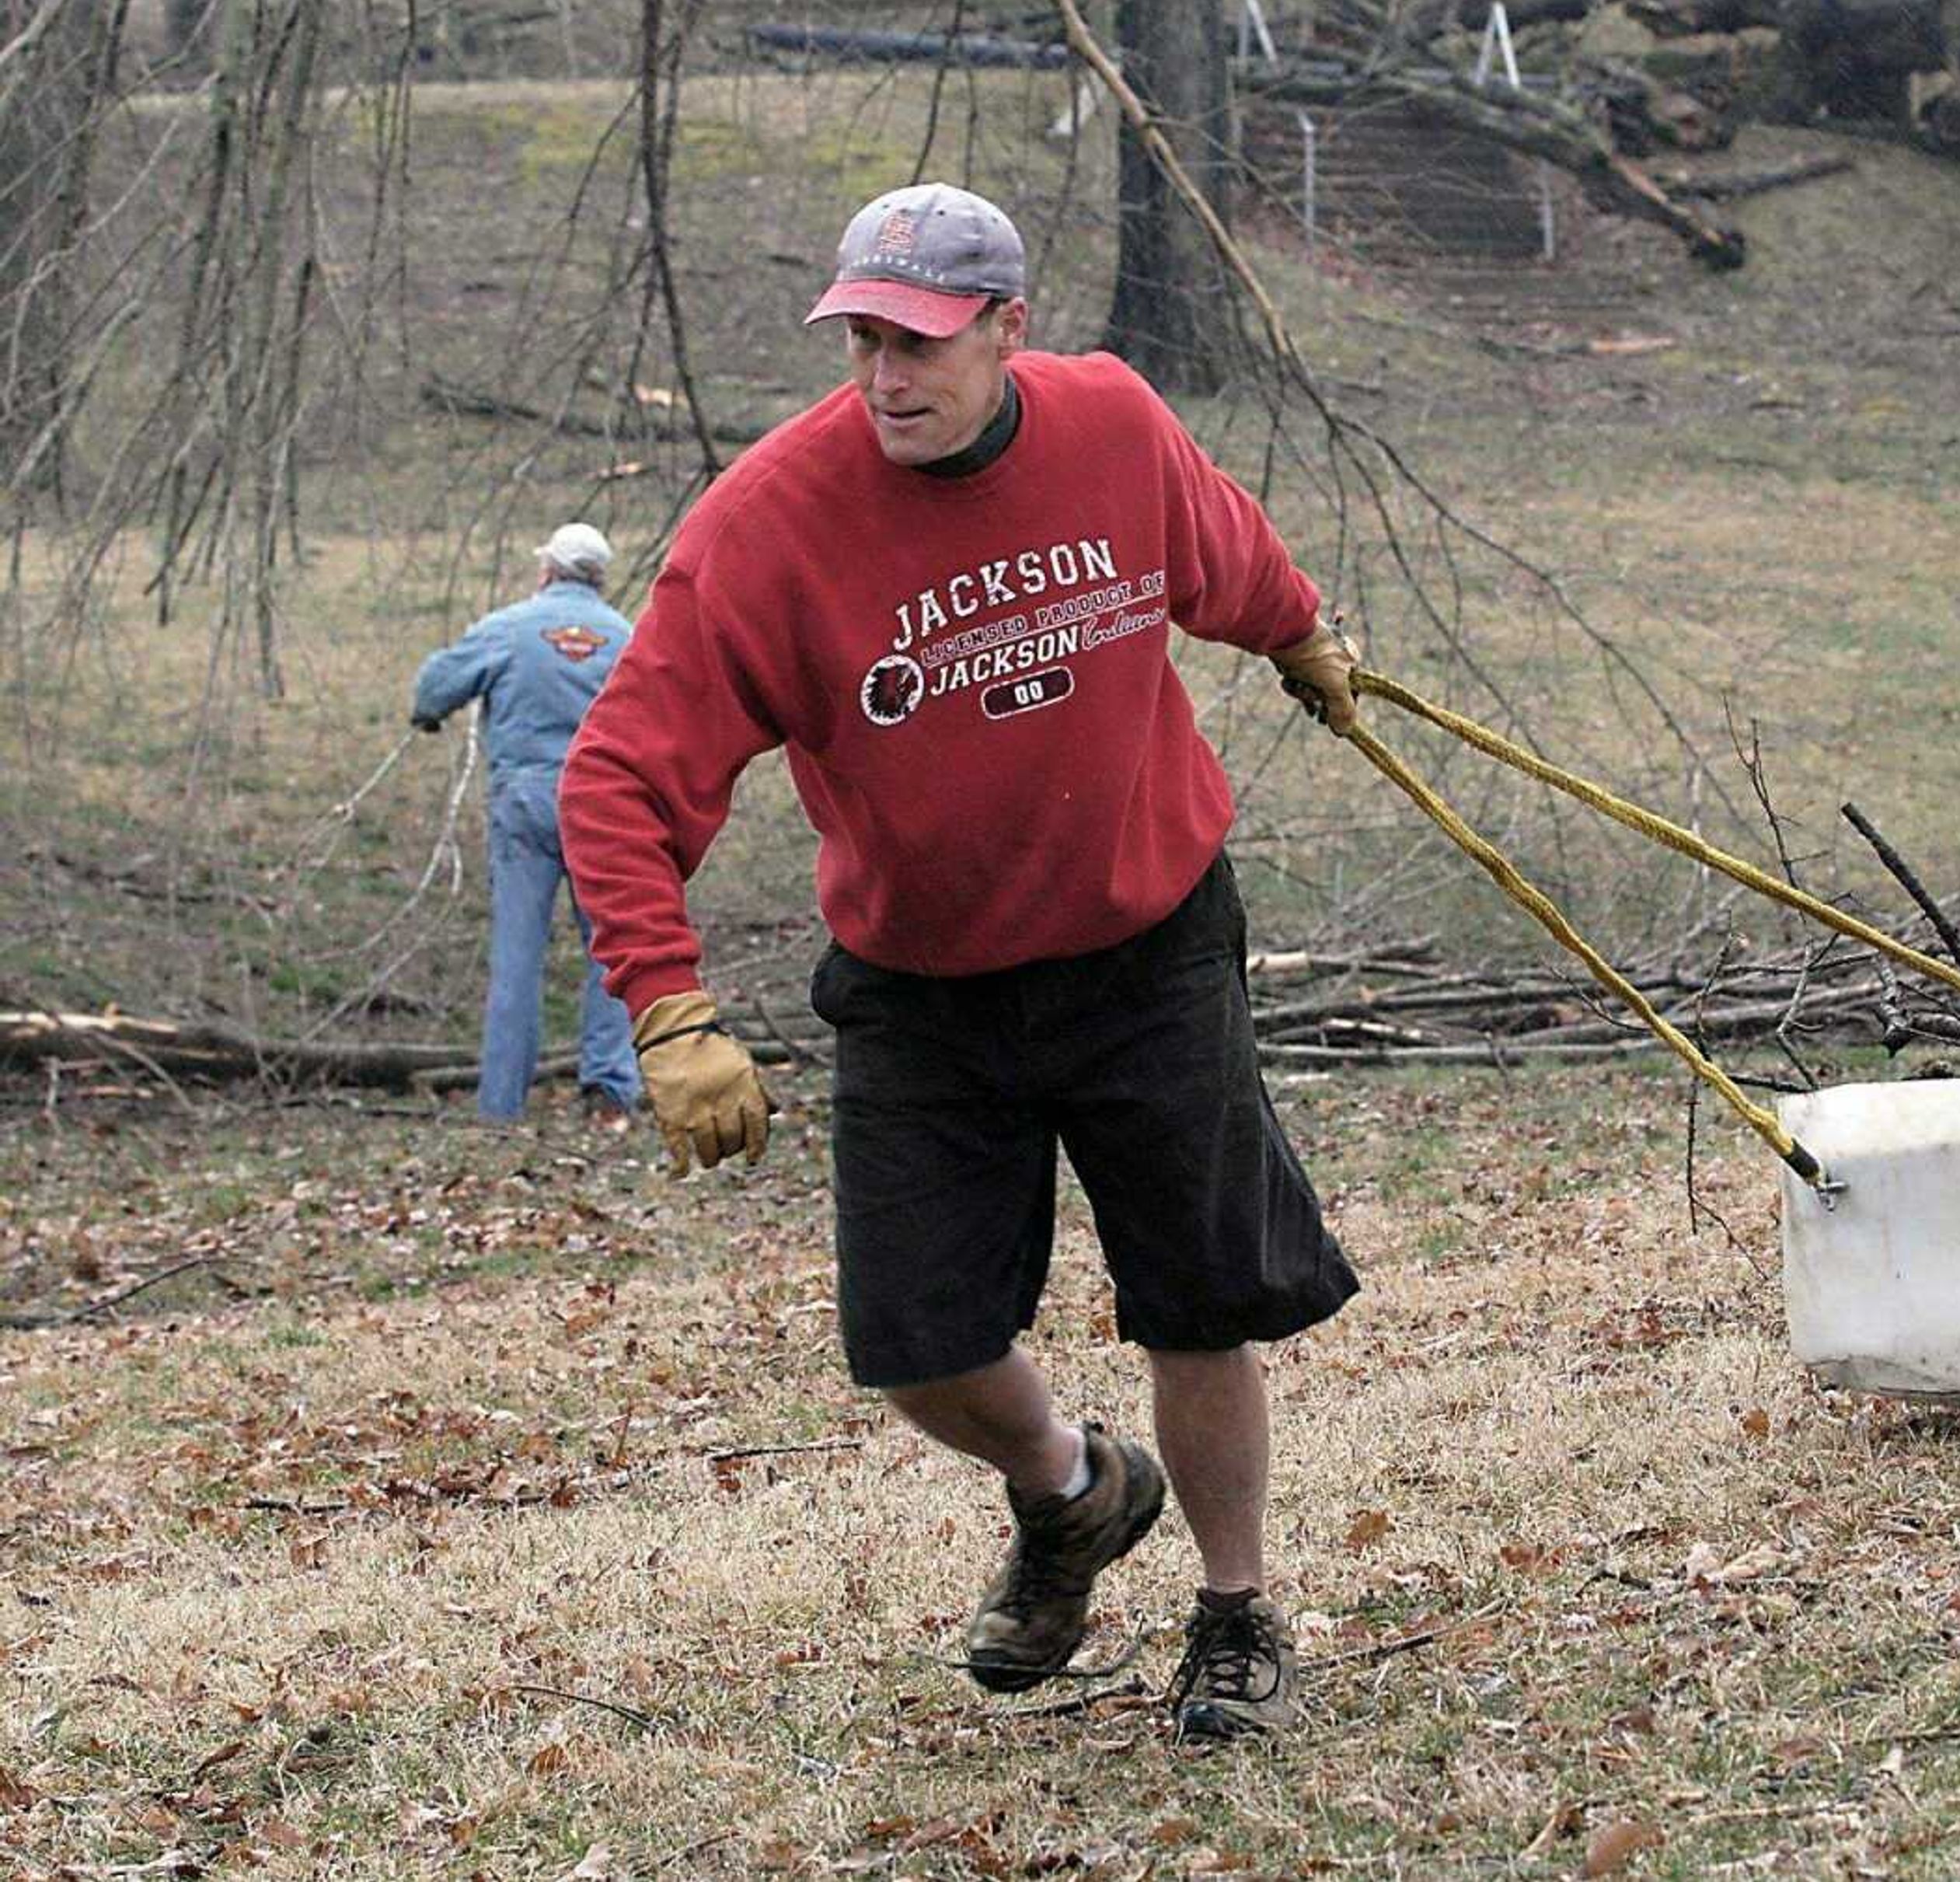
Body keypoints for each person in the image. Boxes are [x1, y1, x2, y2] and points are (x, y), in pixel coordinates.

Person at [559, 183, 1362, 1744]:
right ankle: (1070, 1490)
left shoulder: (1113, 426)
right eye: (863, 338)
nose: (886, 376)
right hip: (925, 984)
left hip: (1148, 941)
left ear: (1007, 329)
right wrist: (664, 1001)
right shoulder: (772, 524)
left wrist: (1298, 633)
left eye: (921, 340)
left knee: (1198, 1305)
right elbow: (620, 777)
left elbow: (1220, 546)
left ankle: (1236, 1610)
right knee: (916, 1342)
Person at [411, 522, 644, 1126]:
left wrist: (427, 714)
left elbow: (437, 684)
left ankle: (501, 1105)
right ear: (599, 577)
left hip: (525, 805)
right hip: (607, 809)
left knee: (518, 956)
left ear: (548, 571)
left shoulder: (511, 629)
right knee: (611, 950)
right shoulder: (628, 638)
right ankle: (610, 1092)